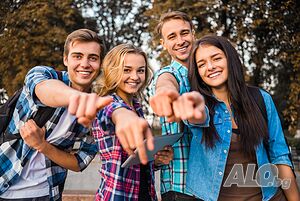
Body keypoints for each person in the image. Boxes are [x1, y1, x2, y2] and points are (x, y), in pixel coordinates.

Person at [0, 29, 113, 201]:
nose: (85, 64)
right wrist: (80, 98)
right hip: (4, 183)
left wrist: (42, 145)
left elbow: (79, 162)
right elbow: (43, 88)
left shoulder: (99, 108)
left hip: (47, 193)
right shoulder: (43, 74)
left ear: (100, 63)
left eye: (92, 58)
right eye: (77, 56)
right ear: (65, 59)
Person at [184, 35, 300, 201]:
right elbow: (194, 116)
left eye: (216, 58)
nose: (210, 67)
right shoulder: (198, 106)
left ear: (230, 59)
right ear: (197, 72)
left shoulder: (261, 98)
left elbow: (279, 156)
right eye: (201, 64)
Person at [92, 44, 174, 201]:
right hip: (116, 195)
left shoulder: (136, 107)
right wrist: (122, 115)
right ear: (113, 71)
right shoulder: (105, 103)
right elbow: (110, 111)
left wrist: (155, 160)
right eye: (127, 70)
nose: (135, 77)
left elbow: (133, 163)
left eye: (140, 70)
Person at [149, 11, 199, 201]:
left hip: (212, 184)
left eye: (184, 33)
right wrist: (166, 94)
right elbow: (165, 83)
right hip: (180, 186)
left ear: (193, 34)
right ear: (163, 44)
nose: (180, 41)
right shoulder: (167, 73)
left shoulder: (206, 75)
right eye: (172, 36)